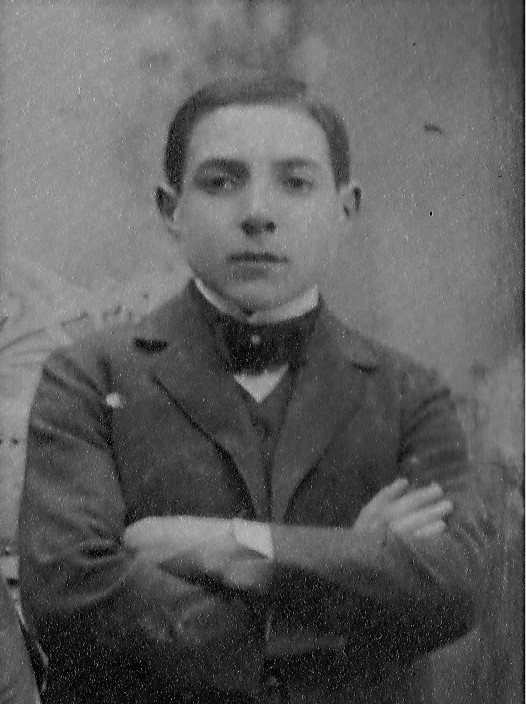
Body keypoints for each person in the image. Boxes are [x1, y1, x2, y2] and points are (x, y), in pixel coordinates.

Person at [18, 75, 493, 704]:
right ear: (171, 209)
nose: (257, 214)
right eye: (221, 182)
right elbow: (70, 598)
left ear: (344, 208)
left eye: (295, 182)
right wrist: (351, 568)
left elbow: (455, 586)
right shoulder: (87, 376)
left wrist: (229, 546)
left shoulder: (410, 393)